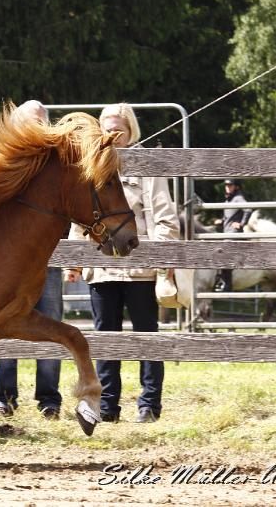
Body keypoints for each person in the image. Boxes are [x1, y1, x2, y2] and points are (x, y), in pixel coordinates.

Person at [66, 103, 179, 424]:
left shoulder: (147, 167)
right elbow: (79, 217)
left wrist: (160, 258)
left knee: (147, 338)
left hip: (140, 269)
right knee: (104, 339)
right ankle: (107, 406)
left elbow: (165, 218)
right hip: (102, 269)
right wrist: (75, 259)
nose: (113, 135)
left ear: (131, 132)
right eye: (107, 129)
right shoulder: (91, 163)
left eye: (119, 130)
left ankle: (149, 404)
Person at [0, 100, 65, 419]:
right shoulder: (1, 158)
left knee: (51, 320)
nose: (37, 127)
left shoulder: (58, 162)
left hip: (47, 256)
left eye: (41, 121)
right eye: (30, 122)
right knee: (2, 320)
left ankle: (49, 398)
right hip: (6, 260)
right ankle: (3, 397)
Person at [213, 179, 252, 292]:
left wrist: (241, 224)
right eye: (226, 185)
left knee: (225, 254)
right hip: (226, 233)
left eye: (230, 185)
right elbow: (229, 217)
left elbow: (248, 209)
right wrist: (221, 221)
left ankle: (227, 285)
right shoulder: (229, 200)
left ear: (236, 187)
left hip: (233, 234)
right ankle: (221, 280)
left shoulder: (238, 198)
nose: (227, 187)